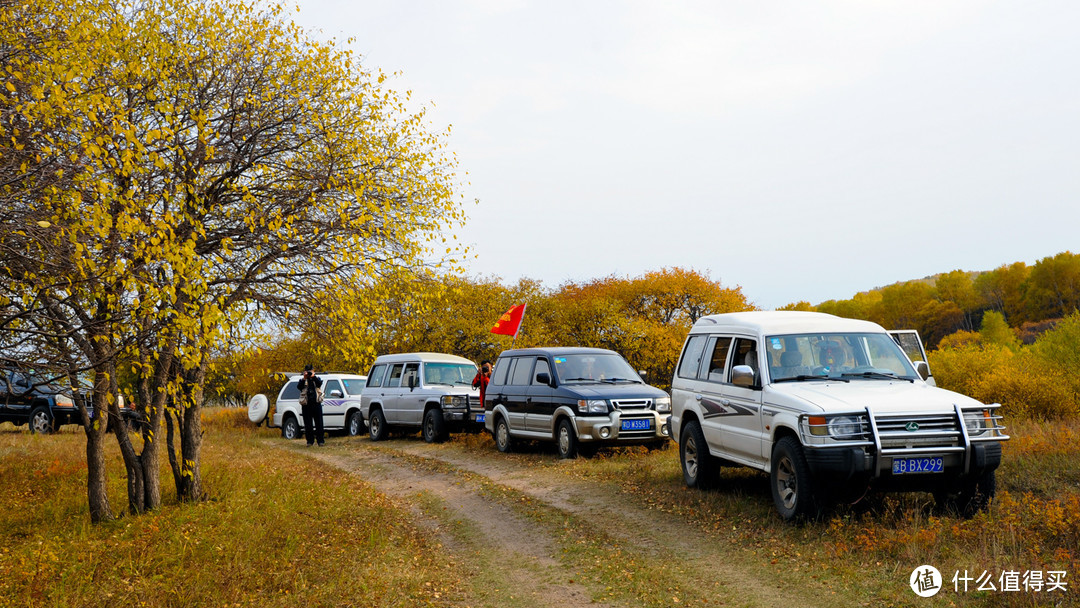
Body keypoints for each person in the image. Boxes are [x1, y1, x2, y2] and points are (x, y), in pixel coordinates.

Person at [297, 364, 324, 446]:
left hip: (316, 403)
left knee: (319, 423)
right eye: (307, 371)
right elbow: (299, 387)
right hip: (306, 404)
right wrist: (304, 378)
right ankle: (309, 441)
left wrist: (313, 377)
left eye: (310, 371)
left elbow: (319, 384)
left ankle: (320, 441)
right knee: (308, 424)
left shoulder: (316, 379)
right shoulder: (302, 380)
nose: (308, 373)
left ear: (313, 371)